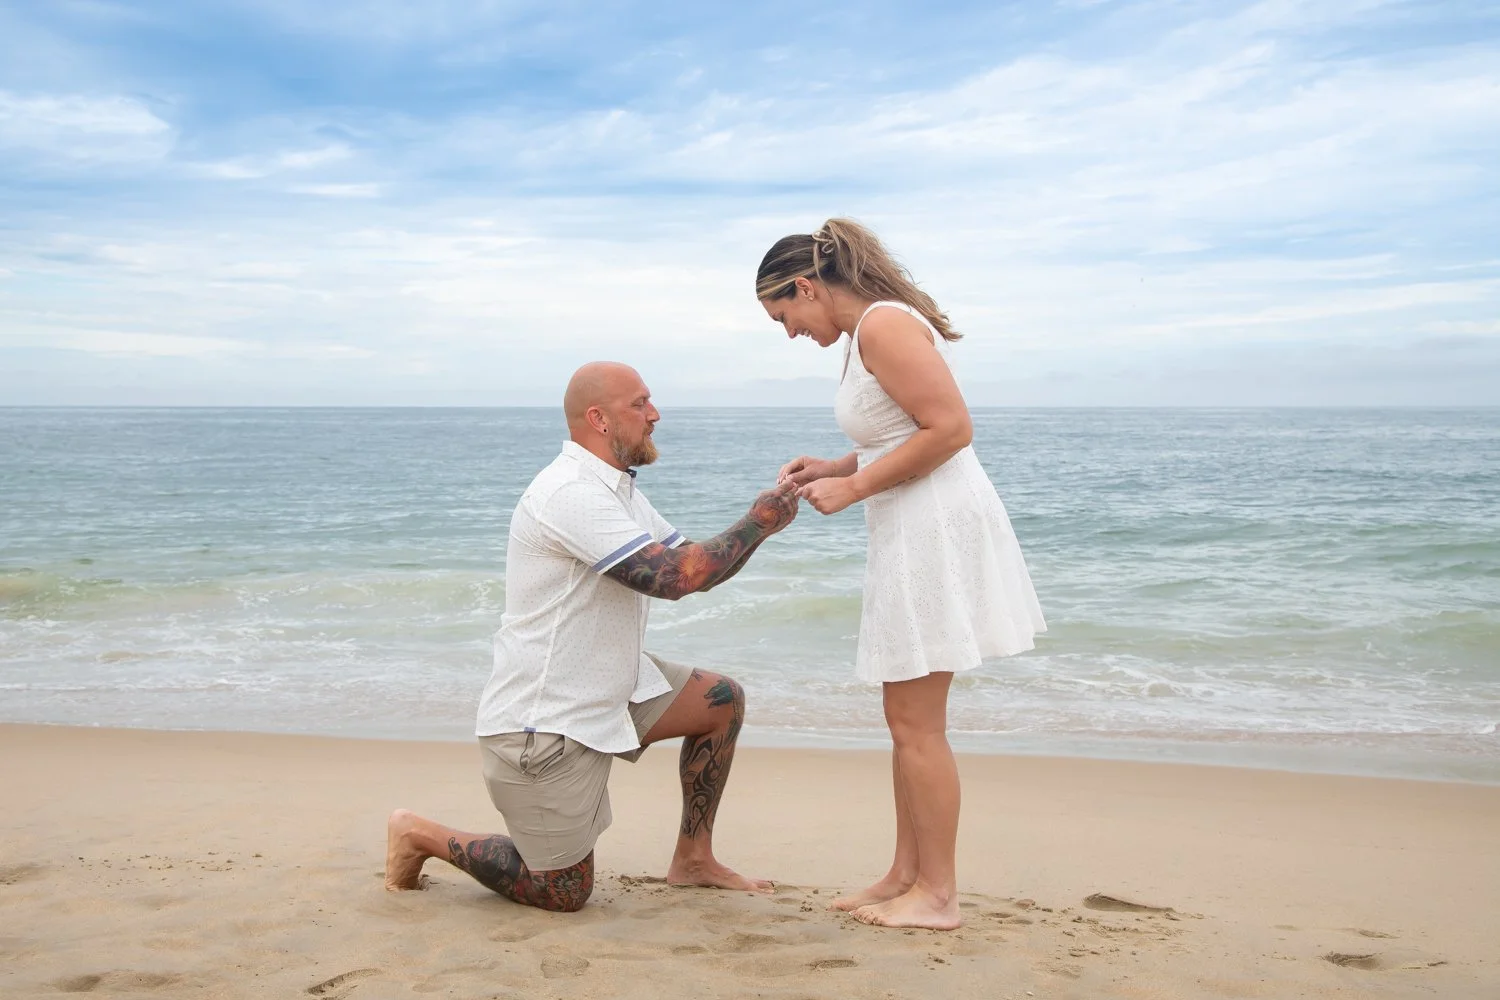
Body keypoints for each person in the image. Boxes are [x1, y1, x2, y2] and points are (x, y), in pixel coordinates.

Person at [385, 362, 798, 912]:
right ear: (599, 419)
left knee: (719, 701)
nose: (655, 415)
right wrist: (759, 522)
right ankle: (421, 834)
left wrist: (766, 523)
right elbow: (673, 579)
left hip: (612, 690)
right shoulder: (569, 493)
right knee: (562, 892)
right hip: (543, 725)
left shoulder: (617, 490)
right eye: (640, 404)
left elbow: (692, 563)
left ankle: (694, 859)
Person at [756, 219, 1046, 930]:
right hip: (912, 524)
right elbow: (900, 433)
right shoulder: (866, 336)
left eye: (783, 315)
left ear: (805, 286)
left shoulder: (884, 326)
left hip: (934, 526)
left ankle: (938, 897)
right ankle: (905, 873)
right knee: (904, 717)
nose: (789, 332)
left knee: (917, 723)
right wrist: (836, 466)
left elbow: (950, 428)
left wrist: (853, 490)